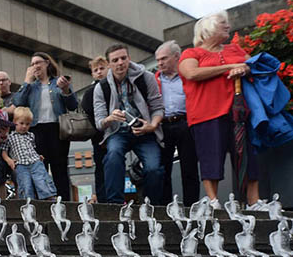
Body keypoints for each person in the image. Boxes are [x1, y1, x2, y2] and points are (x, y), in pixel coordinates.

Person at [178, 11, 260, 209]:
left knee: (248, 156)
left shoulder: (235, 49)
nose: (228, 26)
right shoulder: (192, 53)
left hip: (239, 112)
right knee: (210, 158)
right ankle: (213, 201)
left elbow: (254, 65)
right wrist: (229, 67)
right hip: (206, 114)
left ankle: (254, 202)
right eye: (223, 23)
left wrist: (245, 69)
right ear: (208, 29)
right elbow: (191, 73)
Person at [93, 44, 165, 205]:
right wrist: (110, 118)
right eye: (115, 60)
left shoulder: (146, 78)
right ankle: (116, 205)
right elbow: (100, 122)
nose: (120, 63)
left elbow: (158, 108)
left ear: (129, 58)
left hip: (144, 131)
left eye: (123, 58)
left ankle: (151, 205)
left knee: (154, 168)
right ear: (109, 64)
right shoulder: (101, 87)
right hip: (117, 132)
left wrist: (152, 126)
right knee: (113, 156)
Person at [13, 52, 77, 201]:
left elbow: (73, 105)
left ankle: (65, 204)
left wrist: (66, 90)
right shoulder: (31, 87)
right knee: (38, 169)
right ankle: (41, 204)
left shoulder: (58, 82)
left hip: (57, 129)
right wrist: (27, 82)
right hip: (36, 131)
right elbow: (18, 102)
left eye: (38, 62)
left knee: (59, 169)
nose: (35, 66)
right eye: (32, 64)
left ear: (47, 63)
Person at [156, 40, 200, 206]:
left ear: (176, 57)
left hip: (185, 123)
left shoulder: (187, 76)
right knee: (163, 169)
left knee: (189, 168)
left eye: (164, 59)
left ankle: (191, 207)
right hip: (163, 125)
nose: (160, 63)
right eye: (158, 59)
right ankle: (165, 207)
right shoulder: (154, 79)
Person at [1, 107, 57, 200]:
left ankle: (49, 197)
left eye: (27, 124)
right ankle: (27, 201)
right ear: (15, 122)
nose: (24, 126)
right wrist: (9, 160)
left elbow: (31, 148)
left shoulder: (31, 135)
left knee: (41, 179)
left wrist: (38, 155)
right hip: (21, 164)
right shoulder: (10, 137)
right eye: (21, 123)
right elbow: (4, 152)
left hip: (35, 161)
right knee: (25, 184)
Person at [81, 56, 109, 203]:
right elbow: (88, 114)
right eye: (96, 70)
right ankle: (102, 198)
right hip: (99, 137)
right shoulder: (90, 92)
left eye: (102, 68)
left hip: (115, 133)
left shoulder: (115, 86)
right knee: (100, 168)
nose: (99, 72)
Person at [0, 70, 15, 198]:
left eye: (4, 80)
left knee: (17, 175)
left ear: (9, 82)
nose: (1, 83)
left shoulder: (16, 97)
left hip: (14, 143)